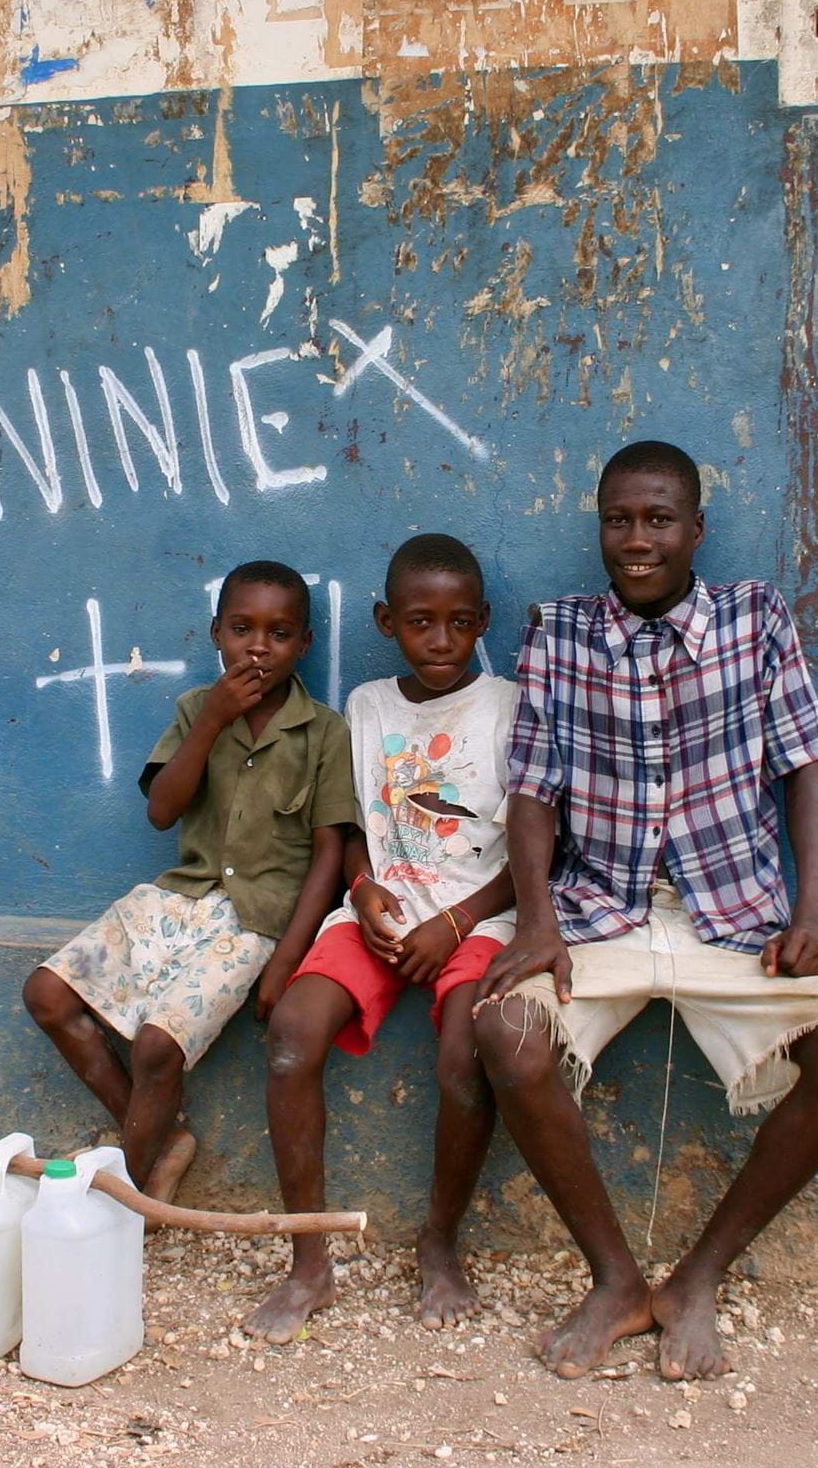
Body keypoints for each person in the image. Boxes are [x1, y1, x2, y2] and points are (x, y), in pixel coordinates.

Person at [475, 440, 818, 1382]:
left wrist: (813, 911)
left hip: (734, 918)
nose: (637, 539)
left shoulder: (754, 620)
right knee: (506, 1034)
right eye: (618, 520)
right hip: (602, 913)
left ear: (696, 530)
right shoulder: (560, 630)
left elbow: (805, 768)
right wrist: (537, 923)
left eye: (658, 519)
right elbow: (534, 790)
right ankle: (617, 1282)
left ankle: (700, 1277)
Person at [244, 534, 517, 1343]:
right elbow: (353, 825)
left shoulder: (507, 706)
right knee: (293, 1036)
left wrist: (458, 921)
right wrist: (362, 891)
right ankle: (308, 1259)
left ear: (483, 624)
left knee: (467, 1054)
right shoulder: (366, 708)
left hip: (477, 916)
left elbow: (540, 847)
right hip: (380, 913)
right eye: (421, 622)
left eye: (460, 623)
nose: (440, 641)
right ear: (385, 621)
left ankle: (439, 1241)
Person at [24, 560, 354, 1200]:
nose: (258, 646)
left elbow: (328, 854)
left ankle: (125, 1194)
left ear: (304, 644)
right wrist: (212, 722)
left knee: (156, 1050)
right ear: (216, 634)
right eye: (242, 628)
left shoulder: (324, 732)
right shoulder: (195, 710)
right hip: (179, 895)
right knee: (47, 994)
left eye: (279, 633)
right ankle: (161, 1137)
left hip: (256, 920)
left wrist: (288, 959)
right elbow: (161, 811)